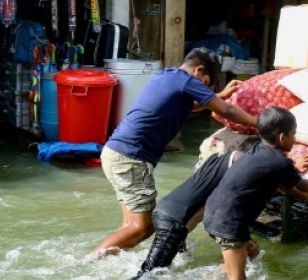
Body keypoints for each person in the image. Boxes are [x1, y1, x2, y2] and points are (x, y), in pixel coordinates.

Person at [94, 48, 260, 257]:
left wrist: (218, 95)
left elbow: (188, 107)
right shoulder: (185, 81)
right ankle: (87, 264)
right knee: (142, 228)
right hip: (131, 157)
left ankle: (104, 261)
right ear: (199, 70)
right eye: (206, 83)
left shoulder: (168, 75)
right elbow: (225, 110)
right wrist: (262, 123)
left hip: (116, 152)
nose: (205, 89)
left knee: (129, 226)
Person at [118, 138, 308, 280]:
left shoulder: (215, 161)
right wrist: (295, 171)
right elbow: (264, 175)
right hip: (175, 222)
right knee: (147, 279)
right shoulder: (239, 165)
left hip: (166, 211)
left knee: (246, 248)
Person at [203, 107, 308, 280]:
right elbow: (301, 183)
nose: (294, 138)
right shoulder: (279, 161)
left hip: (214, 212)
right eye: (293, 134)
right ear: (282, 137)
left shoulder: (257, 149)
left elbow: (285, 186)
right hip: (229, 222)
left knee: (253, 252)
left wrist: (302, 197)